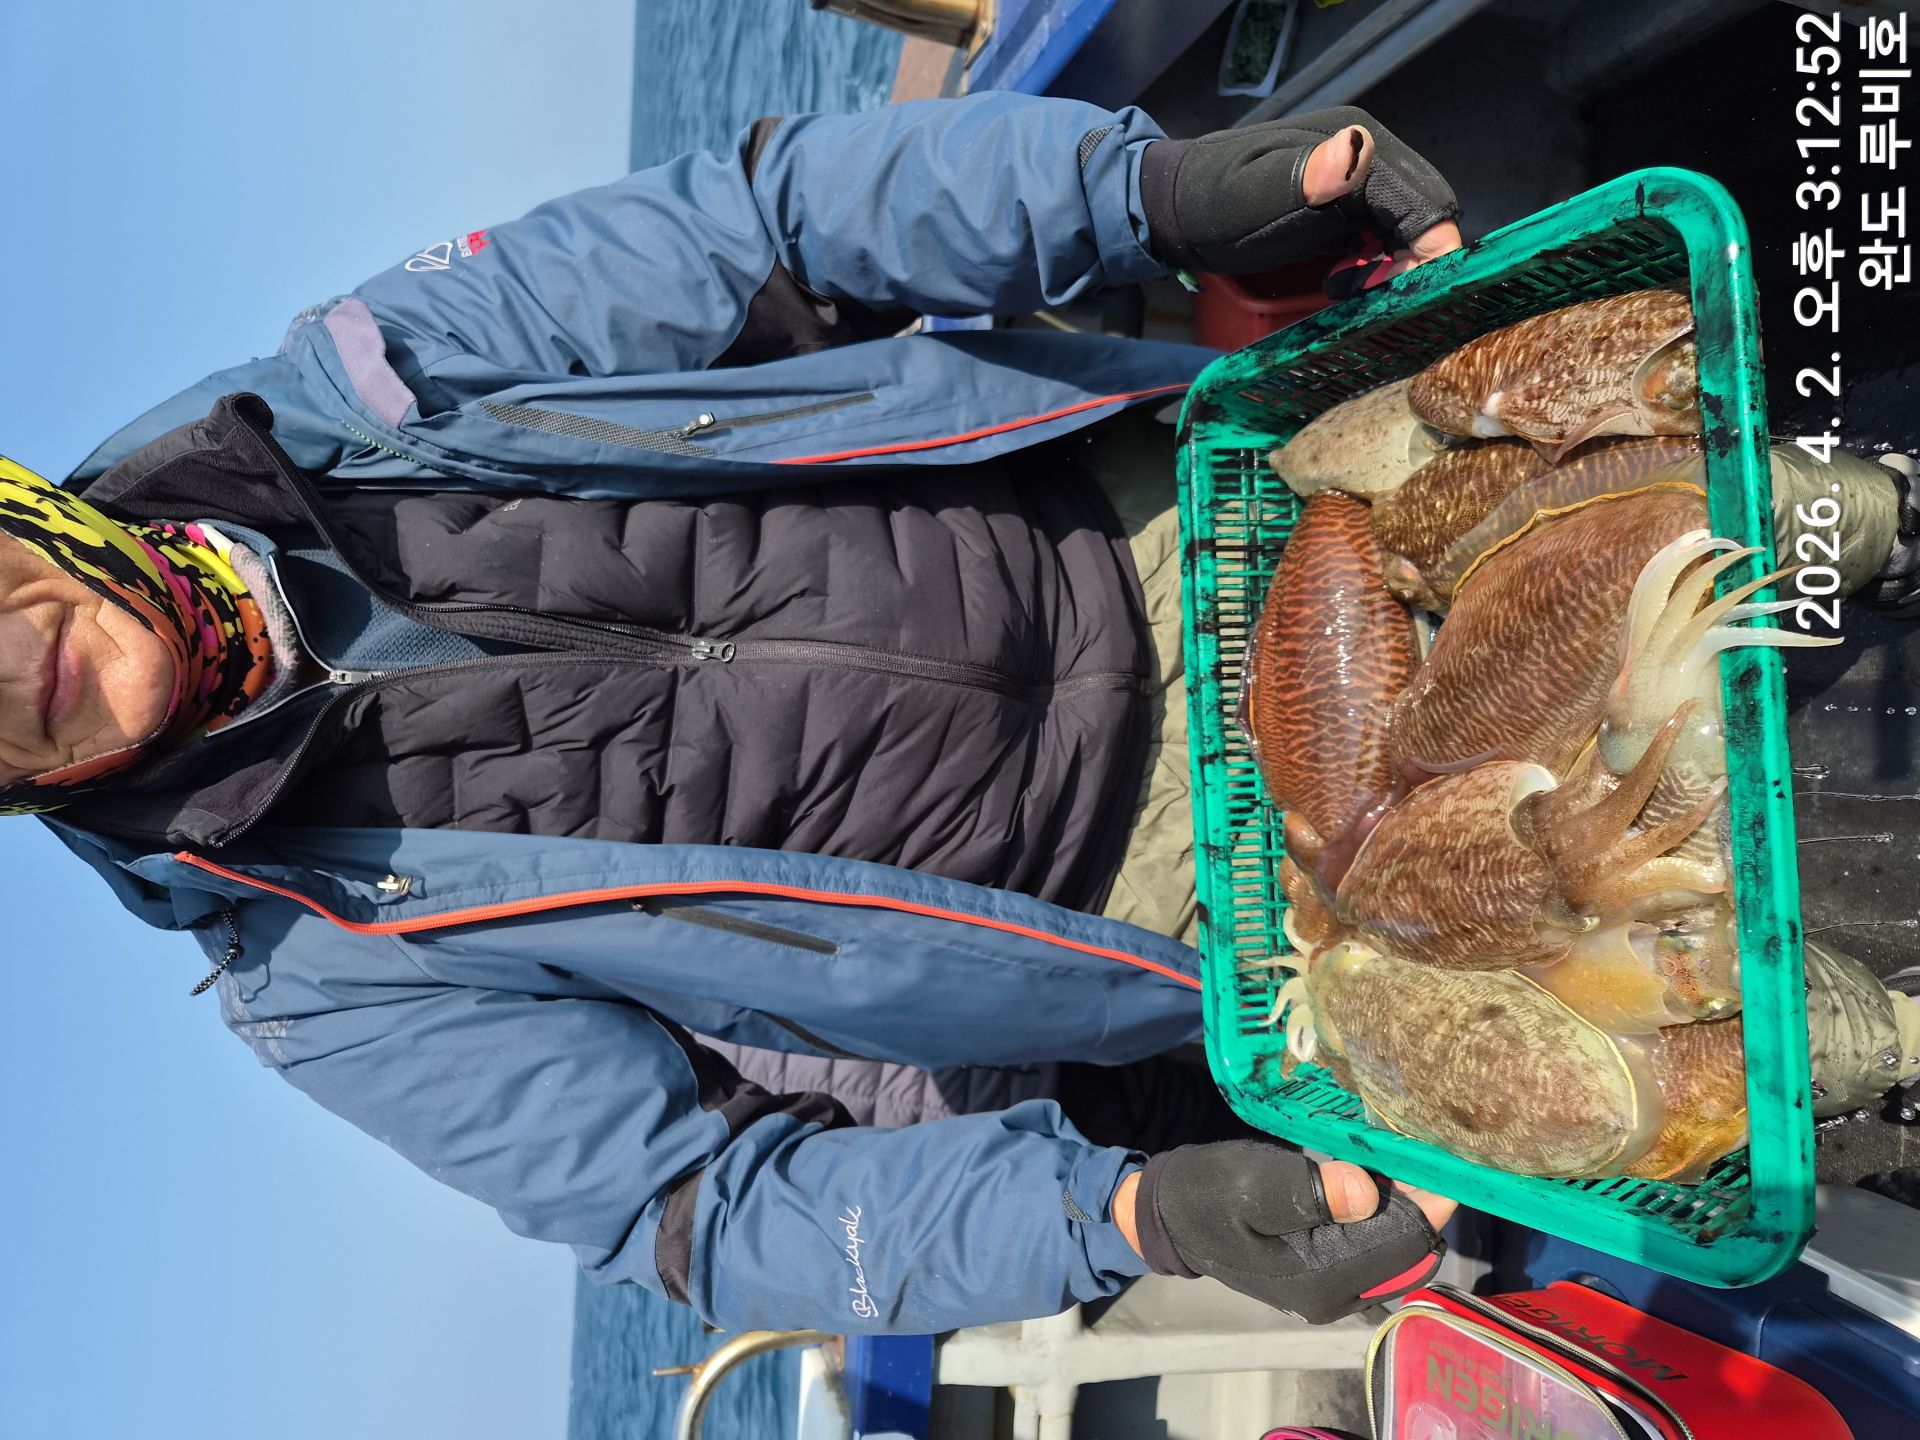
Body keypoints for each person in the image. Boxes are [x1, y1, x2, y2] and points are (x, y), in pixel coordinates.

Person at [6, 91, 1893, 1339]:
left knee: (1673, 484)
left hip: (1200, 518)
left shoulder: (361, 384)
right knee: (1686, 1050)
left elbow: (781, 225)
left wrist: (1144, 194)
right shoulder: (315, 971)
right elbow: (703, 1208)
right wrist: (1131, 1221)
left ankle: (1870, 512)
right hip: (1206, 916)